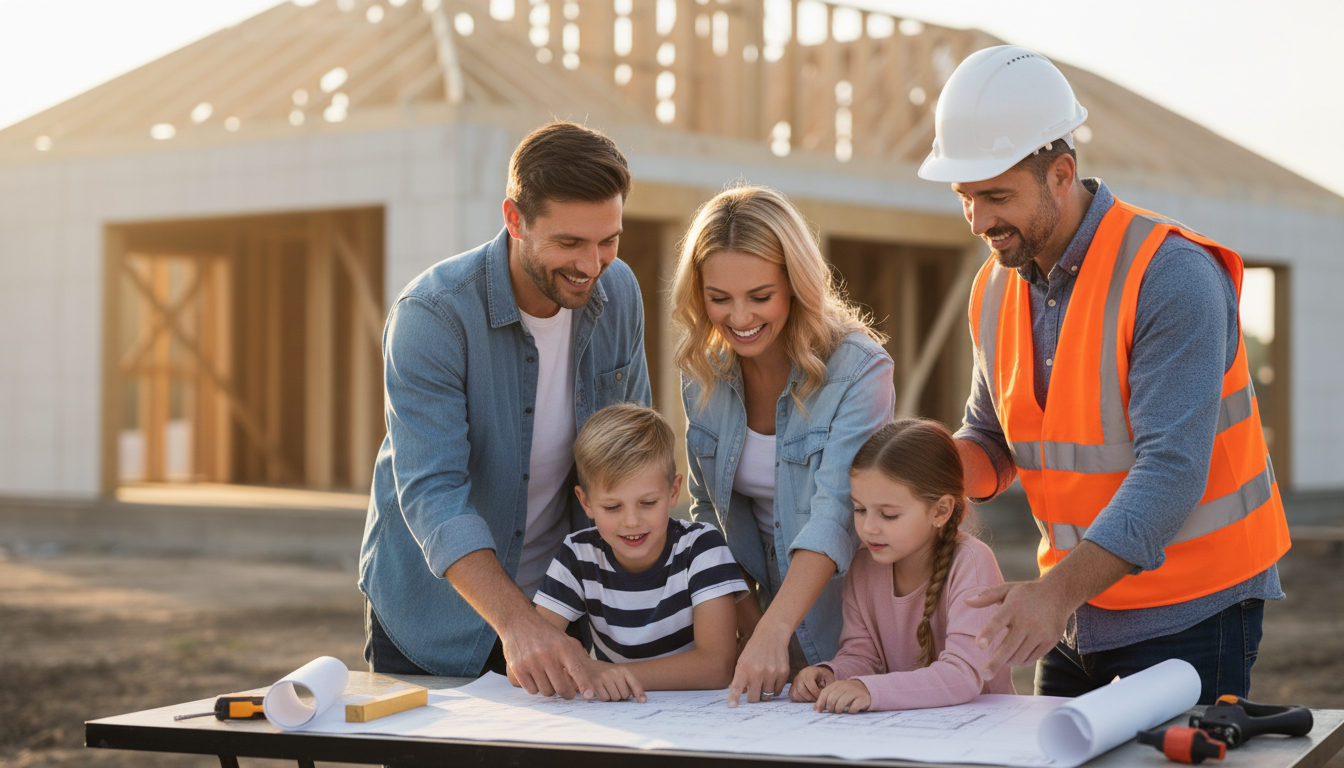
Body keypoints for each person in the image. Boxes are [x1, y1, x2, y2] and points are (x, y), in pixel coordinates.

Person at [917, 46, 1290, 703]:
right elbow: (992, 440)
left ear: (1061, 173)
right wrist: (916, 465)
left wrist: (1054, 594)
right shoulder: (995, 288)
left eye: (997, 196)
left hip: (1192, 612)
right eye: (965, 198)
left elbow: (1171, 469)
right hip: (1075, 616)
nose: (978, 222)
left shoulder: (1169, 274)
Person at [358, 122, 651, 700]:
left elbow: (633, 458)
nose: (592, 264)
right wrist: (518, 625)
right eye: (570, 242)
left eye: (608, 240)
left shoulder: (618, 293)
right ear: (515, 219)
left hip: (563, 609)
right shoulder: (432, 316)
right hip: (435, 619)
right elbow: (434, 493)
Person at [671, 185, 896, 708]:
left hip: (853, 625)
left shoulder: (859, 369)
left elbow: (835, 513)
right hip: (761, 619)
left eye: (760, 296)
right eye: (719, 298)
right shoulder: (702, 372)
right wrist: (752, 624)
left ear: (796, 284)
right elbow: (709, 514)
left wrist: (774, 630)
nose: (739, 318)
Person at [520, 402, 748, 702]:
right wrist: (582, 667)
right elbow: (527, 658)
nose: (631, 521)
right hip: (617, 719)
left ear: (673, 491)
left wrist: (602, 673)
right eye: (612, 507)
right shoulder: (578, 555)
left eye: (648, 503)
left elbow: (717, 667)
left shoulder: (701, 548)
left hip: (699, 716)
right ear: (586, 502)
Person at [790, 418, 1013, 714]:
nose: (868, 527)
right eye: (860, 509)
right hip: (904, 731)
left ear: (941, 510)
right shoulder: (864, 562)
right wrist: (833, 673)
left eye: (889, 515)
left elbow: (963, 675)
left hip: (980, 729)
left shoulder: (972, 564)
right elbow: (863, 656)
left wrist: (870, 690)